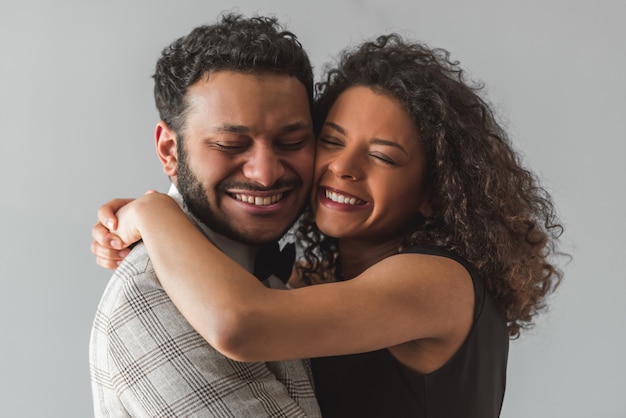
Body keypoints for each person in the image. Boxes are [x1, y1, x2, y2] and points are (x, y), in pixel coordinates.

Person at [93, 34, 565, 417]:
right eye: (331, 141)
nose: (343, 168)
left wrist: (154, 213)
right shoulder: (318, 280)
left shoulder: (438, 282)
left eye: (381, 156)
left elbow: (241, 323)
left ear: (433, 192)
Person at [88, 13, 323, 417]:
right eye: (230, 144)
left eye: (292, 141)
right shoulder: (152, 298)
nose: (265, 174)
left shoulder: (280, 276)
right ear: (169, 151)